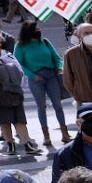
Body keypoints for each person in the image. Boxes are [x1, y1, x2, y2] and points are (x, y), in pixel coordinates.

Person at [13, 20, 69, 148]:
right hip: (35, 78)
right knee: (41, 106)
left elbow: (56, 57)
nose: (39, 30)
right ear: (29, 31)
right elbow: (19, 64)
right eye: (36, 28)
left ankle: (64, 133)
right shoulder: (21, 46)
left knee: (57, 104)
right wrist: (32, 75)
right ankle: (46, 136)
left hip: (51, 76)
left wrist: (60, 67)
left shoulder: (45, 42)